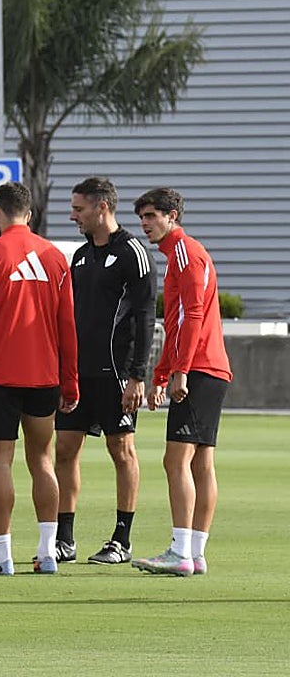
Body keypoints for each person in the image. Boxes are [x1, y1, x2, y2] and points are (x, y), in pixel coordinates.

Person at [0, 181, 79, 576]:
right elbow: (68, 326)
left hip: (0, 376)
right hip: (44, 375)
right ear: (30, 214)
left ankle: (2, 554)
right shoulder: (56, 257)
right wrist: (70, 379)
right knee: (43, 461)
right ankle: (47, 553)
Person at [131, 187, 231, 577]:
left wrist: (180, 371)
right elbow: (174, 322)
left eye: (152, 216)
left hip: (200, 369)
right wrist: (161, 372)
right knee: (202, 463)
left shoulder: (186, 254)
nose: (145, 224)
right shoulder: (177, 257)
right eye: (142, 217)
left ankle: (180, 552)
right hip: (209, 368)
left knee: (177, 460)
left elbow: (191, 316)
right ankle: (196, 552)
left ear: (172, 216)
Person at [61, 177, 156, 565]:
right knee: (64, 450)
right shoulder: (81, 256)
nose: (73, 216)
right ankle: (63, 539)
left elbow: (147, 316)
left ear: (102, 207)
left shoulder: (133, 252)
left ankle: (122, 539)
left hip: (116, 374)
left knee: (122, 451)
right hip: (78, 374)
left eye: (79, 209)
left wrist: (138, 375)